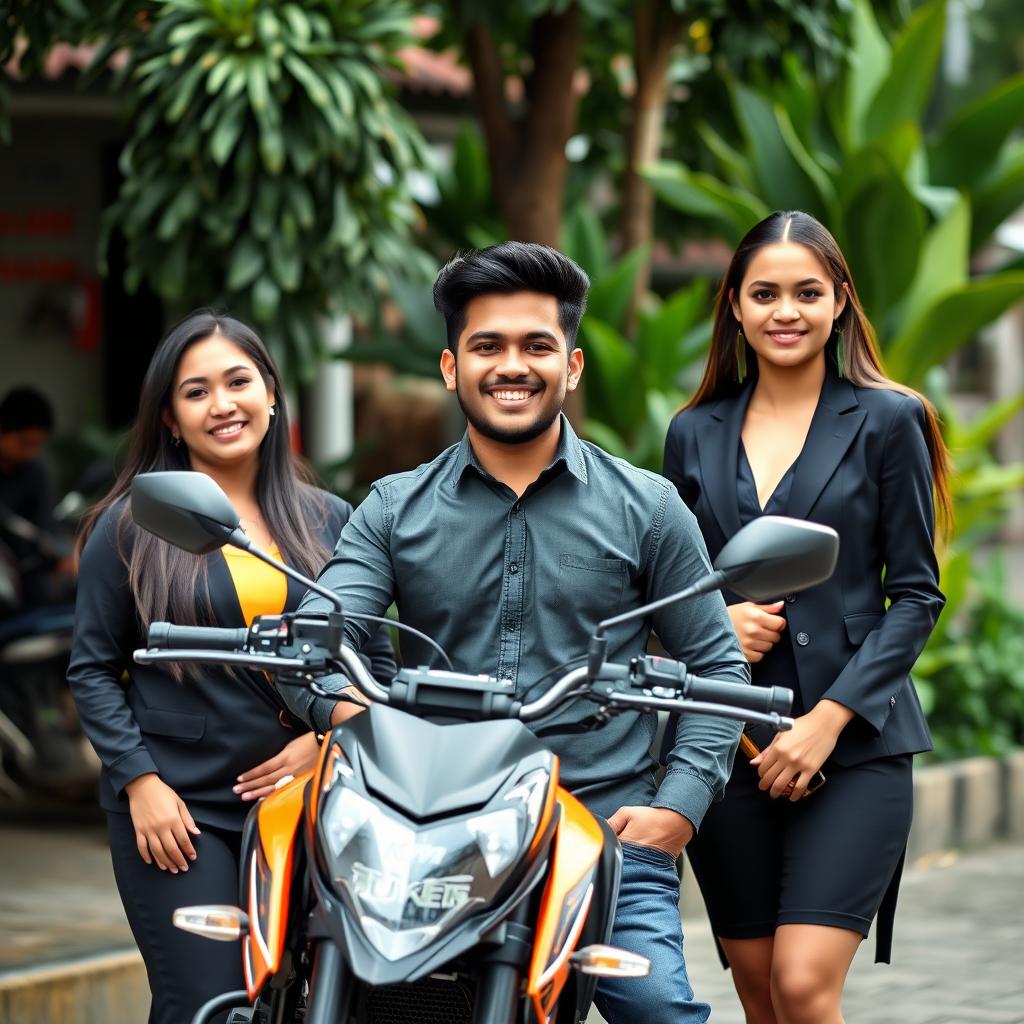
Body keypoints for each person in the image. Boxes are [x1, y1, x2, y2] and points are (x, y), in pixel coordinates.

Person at [283, 242, 750, 1024]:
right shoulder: (395, 508)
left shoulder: (648, 507)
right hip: (429, 834)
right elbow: (317, 639)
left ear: (570, 367)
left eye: (537, 346)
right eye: (487, 346)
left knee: (659, 1012)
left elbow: (717, 666)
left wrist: (679, 805)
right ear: (449, 366)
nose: (512, 365)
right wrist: (355, 718)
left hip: (595, 828)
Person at [67, 311, 396, 1024]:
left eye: (238, 381)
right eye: (196, 391)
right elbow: (92, 670)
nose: (223, 404)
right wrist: (140, 783)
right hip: (182, 810)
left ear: (272, 394)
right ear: (170, 419)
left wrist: (326, 742)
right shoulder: (130, 525)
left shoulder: (332, 519)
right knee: (210, 1004)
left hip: (314, 810)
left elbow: (373, 665)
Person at [663, 211, 948, 1024]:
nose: (785, 311)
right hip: (728, 744)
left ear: (840, 303)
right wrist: (719, 620)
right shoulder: (692, 433)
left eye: (806, 292)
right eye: (765, 294)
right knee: (758, 996)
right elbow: (674, 581)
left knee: (802, 986)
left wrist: (829, 720)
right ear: (736, 307)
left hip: (854, 746)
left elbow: (918, 595)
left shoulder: (891, 419)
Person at [0, 386, 59, 608]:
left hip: (27, 579)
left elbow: (44, 529)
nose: (30, 453)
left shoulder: (34, 473)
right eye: (24, 443)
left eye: (36, 445)